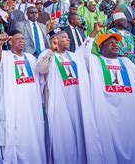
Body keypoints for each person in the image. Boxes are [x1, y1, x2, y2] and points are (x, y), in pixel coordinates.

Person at [84, 29, 135, 162]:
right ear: (101, 46)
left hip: (132, 114)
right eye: (110, 42)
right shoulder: (95, 61)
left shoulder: (127, 62)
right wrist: (93, 35)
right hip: (108, 115)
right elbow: (84, 55)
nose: (115, 44)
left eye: (117, 42)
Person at [37, 27, 103, 163]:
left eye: (68, 37)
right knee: (63, 137)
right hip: (59, 103)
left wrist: (93, 34)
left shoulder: (73, 56)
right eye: (64, 37)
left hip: (77, 102)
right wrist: (51, 51)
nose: (68, 39)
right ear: (55, 40)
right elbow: (41, 69)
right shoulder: (47, 54)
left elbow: (85, 53)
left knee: (80, 134)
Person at [0, 29, 46, 163]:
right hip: (13, 106)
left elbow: (42, 73)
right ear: (10, 41)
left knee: (32, 137)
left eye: (23, 39)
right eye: (18, 39)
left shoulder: (31, 57)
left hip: (30, 108)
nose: (22, 41)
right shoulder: (5, 55)